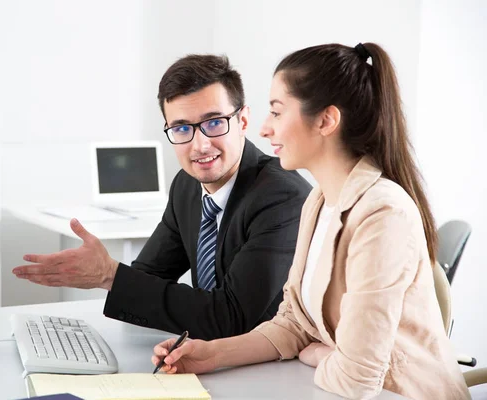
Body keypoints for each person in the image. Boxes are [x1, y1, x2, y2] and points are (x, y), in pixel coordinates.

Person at [151, 44, 470, 400]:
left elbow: (355, 379)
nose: (265, 129)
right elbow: (293, 324)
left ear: (326, 120)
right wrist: (212, 354)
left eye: (276, 112)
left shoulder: (383, 215)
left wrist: (317, 353)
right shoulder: (319, 202)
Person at [12, 54, 312, 340]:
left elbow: (231, 317)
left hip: (277, 366)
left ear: (243, 121)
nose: (200, 145)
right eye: (182, 128)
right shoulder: (187, 185)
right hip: (212, 354)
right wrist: (104, 274)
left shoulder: (281, 197)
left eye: (214, 123)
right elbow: (149, 274)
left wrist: (110, 275)